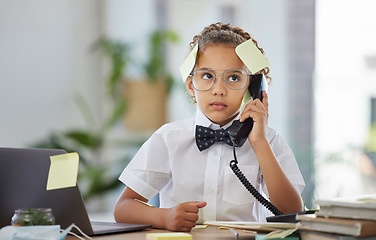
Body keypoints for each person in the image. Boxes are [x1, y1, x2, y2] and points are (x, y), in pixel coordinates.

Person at [114, 22, 305, 232]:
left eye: (233, 77)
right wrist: (163, 216)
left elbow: (293, 214)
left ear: (254, 88)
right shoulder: (168, 139)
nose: (219, 90)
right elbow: (123, 208)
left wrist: (259, 143)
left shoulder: (270, 141)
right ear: (190, 85)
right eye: (207, 76)